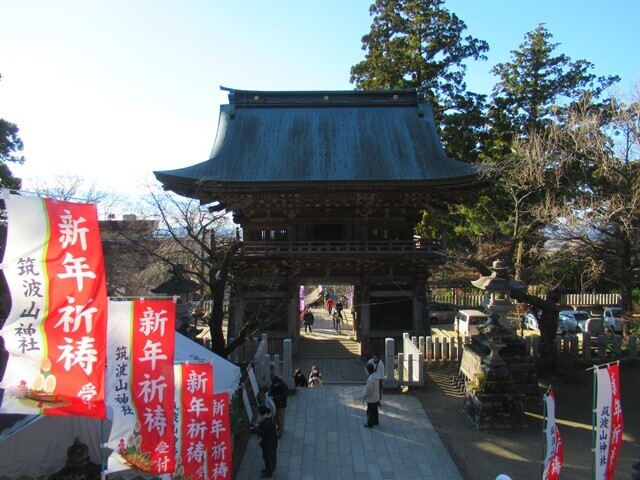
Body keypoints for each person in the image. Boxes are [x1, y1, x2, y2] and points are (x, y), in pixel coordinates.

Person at [251, 405, 278, 478]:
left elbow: (262, 432)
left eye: (260, 415)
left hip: (268, 444)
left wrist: (254, 430)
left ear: (265, 414)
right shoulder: (269, 418)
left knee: (268, 458)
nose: (259, 417)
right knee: (267, 457)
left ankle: (269, 473)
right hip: (271, 442)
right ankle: (268, 469)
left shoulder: (267, 423)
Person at [363, 362, 381, 428]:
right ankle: (376, 421)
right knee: (375, 410)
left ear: (368, 370)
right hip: (376, 396)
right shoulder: (376, 376)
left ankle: (370, 423)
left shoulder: (370, 379)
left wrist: (366, 395)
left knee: (370, 411)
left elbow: (369, 390)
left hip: (371, 398)